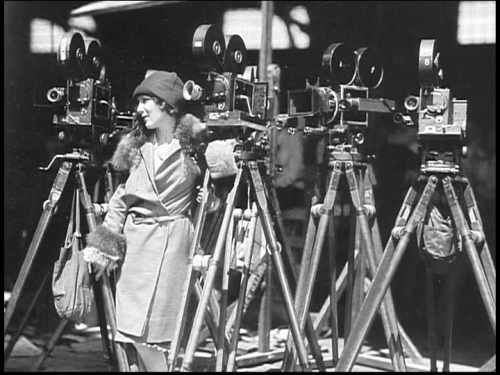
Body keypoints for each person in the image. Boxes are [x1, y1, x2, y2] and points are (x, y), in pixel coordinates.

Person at [82, 70, 204, 371]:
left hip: (174, 246)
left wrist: (209, 202)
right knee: (132, 332)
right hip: (137, 250)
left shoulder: (195, 148)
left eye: (146, 100)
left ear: (168, 105)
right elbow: (120, 200)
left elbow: (215, 192)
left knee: (158, 335)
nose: (139, 109)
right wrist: (103, 249)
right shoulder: (135, 149)